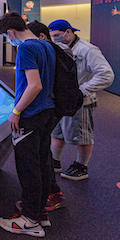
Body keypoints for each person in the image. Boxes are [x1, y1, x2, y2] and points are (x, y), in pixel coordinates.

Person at [0, 12, 55, 237]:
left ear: (11, 32)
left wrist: (16, 111)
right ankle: (39, 212)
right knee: (42, 164)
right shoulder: (46, 45)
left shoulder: (26, 49)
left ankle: (30, 221)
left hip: (31, 114)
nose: (9, 41)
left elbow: (34, 85)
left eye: (7, 37)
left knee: (28, 167)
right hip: (47, 112)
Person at [48, 20, 114, 181]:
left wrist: (83, 90)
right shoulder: (59, 49)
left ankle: (81, 167)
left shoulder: (88, 50)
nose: (55, 39)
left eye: (57, 35)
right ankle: (54, 162)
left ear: (68, 32)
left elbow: (106, 75)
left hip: (81, 102)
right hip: (62, 100)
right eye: (52, 37)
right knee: (57, 132)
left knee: (83, 136)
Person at [25, 21, 65, 211]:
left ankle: (44, 199)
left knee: (39, 155)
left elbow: (37, 84)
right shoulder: (51, 50)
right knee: (44, 152)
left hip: (44, 109)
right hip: (50, 107)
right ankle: (48, 194)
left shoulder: (45, 50)